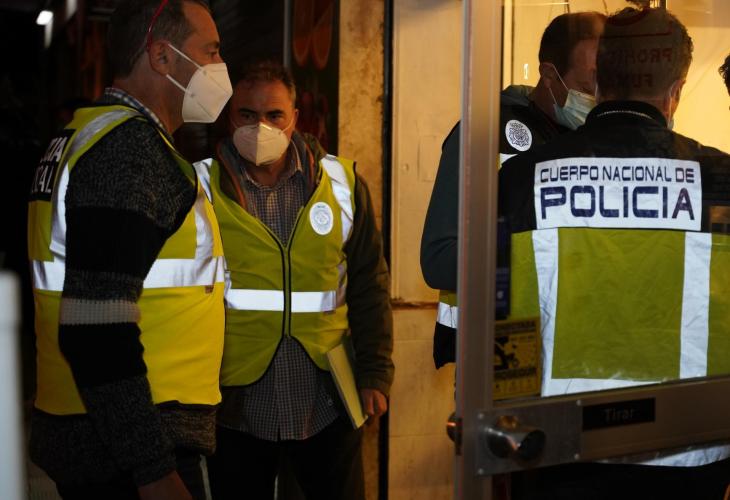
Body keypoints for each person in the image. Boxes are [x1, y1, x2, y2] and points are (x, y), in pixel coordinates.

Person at [500, 7, 730, 499]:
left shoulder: (523, 178)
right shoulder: (719, 182)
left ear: (600, 79)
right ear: (676, 89)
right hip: (689, 451)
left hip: (560, 446)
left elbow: (496, 313)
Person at [27, 0, 232, 498]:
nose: (220, 67)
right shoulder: (127, 150)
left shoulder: (91, 134)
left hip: (102, 433)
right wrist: (153, 470)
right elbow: (96, 326)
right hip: (135, 447)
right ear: (162, 57)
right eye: (210, 52)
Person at [198, 61, 394, 500]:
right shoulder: (200, 189)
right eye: (247, 115)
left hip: (326, 400)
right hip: (235, 404)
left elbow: (369, 284)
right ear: (229, 118)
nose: (260, 127)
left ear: (295, 118)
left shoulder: (342, 184)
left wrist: (375, 373)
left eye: (274, 115)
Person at [420, 11, 605, 370]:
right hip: (502, 351)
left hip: (576, 357)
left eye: (606, 86)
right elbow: (438, 259)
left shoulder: (595, 142)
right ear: (549, 75)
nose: (598, 98)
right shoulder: (486, 133)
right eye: (589, 85)